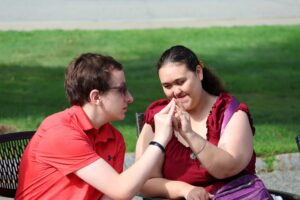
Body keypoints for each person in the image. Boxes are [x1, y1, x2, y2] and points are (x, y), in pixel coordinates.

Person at [15, 53, 176, 200]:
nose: (130, 98)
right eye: (122, 90)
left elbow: (113, 196)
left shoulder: (114, 138)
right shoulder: (61, 132)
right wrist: (159, 140)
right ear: (96, 96)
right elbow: (121, 190)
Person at [135, 45, 256, 200]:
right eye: (167, 86)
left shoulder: (230, 113)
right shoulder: (159, 117)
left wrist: (190, 135)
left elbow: (227, 169)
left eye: (181, 82)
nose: (176, 91)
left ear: (198, 72)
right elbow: (143, 180)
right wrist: (186, 190)